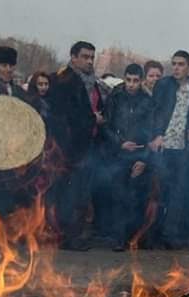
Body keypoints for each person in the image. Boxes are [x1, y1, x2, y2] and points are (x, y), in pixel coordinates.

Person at [51, 40, 107, 251]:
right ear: (73, 57)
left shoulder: (90, 81)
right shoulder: (64, 79)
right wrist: (93, 119)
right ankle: (68, 236)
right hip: (71, 147)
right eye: (85, 57)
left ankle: (76, 233)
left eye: (92, 57)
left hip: (89, 144)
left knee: (82, 192)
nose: (89, 61)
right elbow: (64, 115)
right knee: (70, 193)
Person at [148, 50, 189, 248]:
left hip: (182, 148)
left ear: (188, 66)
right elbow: (154, 111)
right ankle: (152, 235)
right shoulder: (163, 85)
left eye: (181, 64)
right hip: (163, 145)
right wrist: (155, 135)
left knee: (177, 193)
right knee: (158, 191)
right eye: (174, 64)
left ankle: (170, 235)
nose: (176, 68)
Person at [101, 63, 155, 251]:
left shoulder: (148, 101)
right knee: (118, 196)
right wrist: (119, 143)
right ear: (124, 78)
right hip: (118, 154)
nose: (131, 84)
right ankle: (118, 237)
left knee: (138, 197)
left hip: (140, 154)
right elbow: (106, 126)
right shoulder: (115, 97)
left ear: (141, 81)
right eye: (129, 80)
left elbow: (152, 132)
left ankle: (136, 237)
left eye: (135, 81)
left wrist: (144, 159)